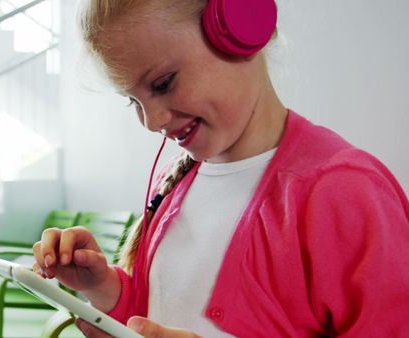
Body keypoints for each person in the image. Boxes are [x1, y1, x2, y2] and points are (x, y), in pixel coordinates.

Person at [32, 0, 409, 336]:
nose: (151, 121)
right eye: (133, 101)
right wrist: (104, 289)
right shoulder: (172, 185)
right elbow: (158, 313)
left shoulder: (342, 191)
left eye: (163, 84)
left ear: (244, 24)